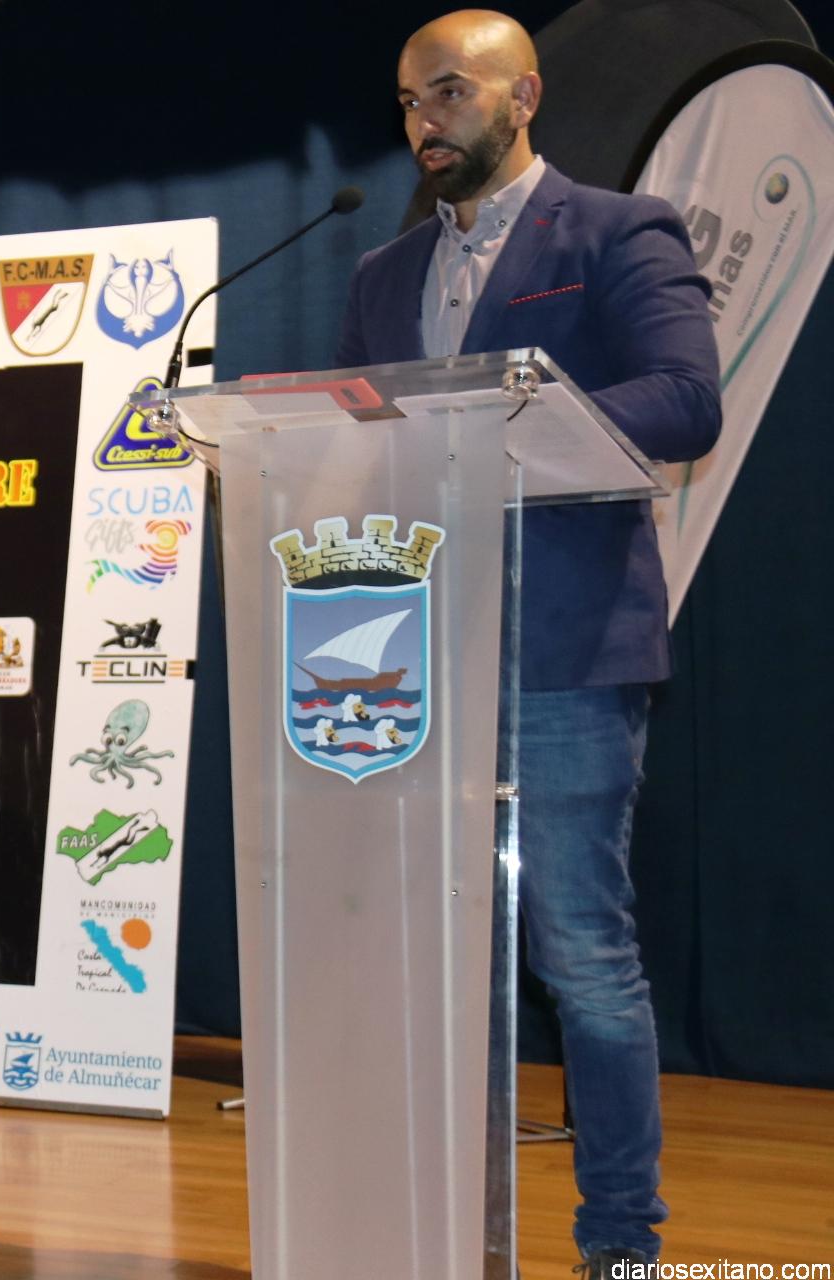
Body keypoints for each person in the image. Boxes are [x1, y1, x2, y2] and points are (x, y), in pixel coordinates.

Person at [335, 10, 722, 1276]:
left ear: (526, 96)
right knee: (438, 959)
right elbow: (349, 444)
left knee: (583, 956)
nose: (425, 119)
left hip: (562, 651)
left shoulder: (615, 232)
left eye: (451, 91)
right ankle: (441, 1225)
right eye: (409, 100)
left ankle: (619, 1240)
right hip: (406, 662)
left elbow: (686, 398)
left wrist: (506, 416)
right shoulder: (382, 275)